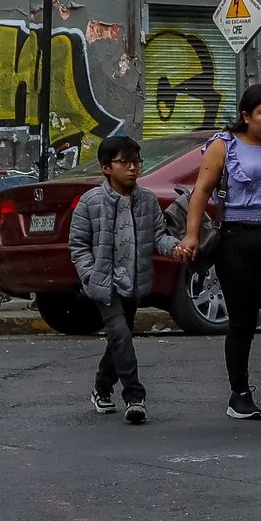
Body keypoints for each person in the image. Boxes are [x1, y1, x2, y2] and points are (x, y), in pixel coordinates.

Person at [173, 84, 261, 421]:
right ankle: (239, 393)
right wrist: (191, 235)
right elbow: (200, 192)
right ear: (246, 116)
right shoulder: (225, 146)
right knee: (243, 321)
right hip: (237, 240)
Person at [67, 134, 171, 424]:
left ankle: (102, 386)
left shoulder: (147, 200)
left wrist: (176, 248)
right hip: (104, 284)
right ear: (106, 168)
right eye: (124, 162)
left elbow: (159, 237)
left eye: (136, 162)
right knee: (121, 334)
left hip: (134, 283)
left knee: (118, 337)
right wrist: (91, 275)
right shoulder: (90, 202)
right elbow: (78, 245)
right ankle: (135, 396)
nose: (133, 168)